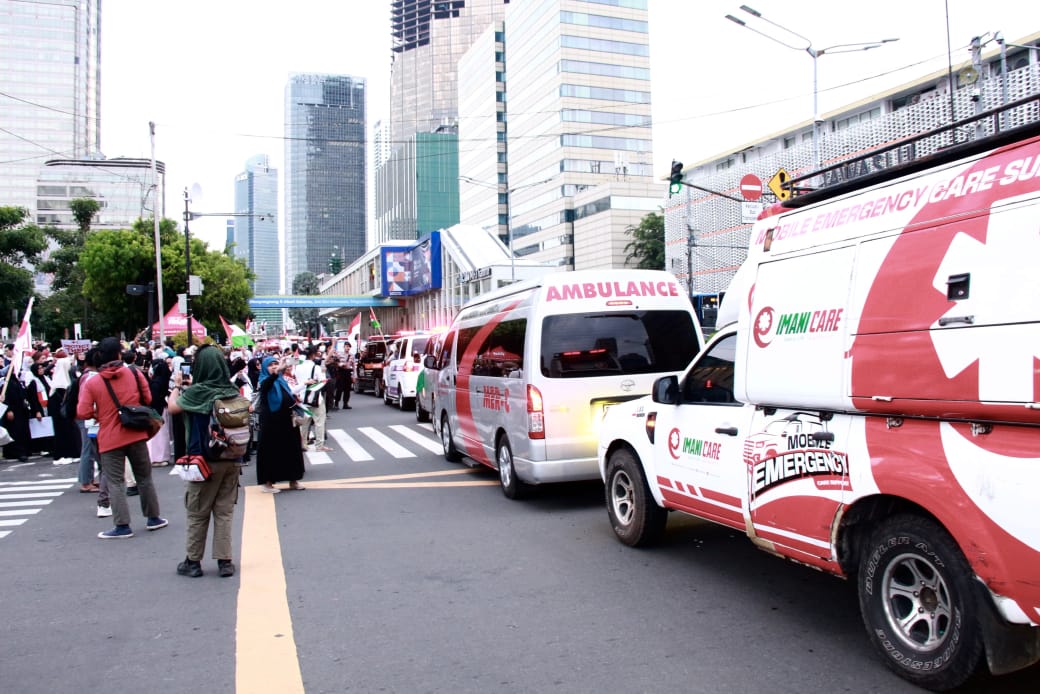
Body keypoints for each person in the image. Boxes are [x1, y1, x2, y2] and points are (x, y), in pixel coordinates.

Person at [76, 337, 166, 539]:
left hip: (109, 436)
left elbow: (82, 411)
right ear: (119, 354)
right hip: (135, 431)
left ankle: (122, 525)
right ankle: (153, 518)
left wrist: (100, 415)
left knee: (115, 481)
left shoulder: (93, 382)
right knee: (144, 477)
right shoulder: (133, 373)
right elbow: (148, 398)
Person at [167, 344, 241, 578]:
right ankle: (225, 561)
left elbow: (172, 408)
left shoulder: (196, 392)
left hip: (203, 460)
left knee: (198, 511)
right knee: (224, 511)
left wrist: (178, 385)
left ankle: (193, 561)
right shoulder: (231, 391)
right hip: (231, 457)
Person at [255, 355, 305, 493]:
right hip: (271, 422)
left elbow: (288, 393)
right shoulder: (264, 380)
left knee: (292, 449)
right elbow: (266, 386)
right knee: (270, 451)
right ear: (265, 368)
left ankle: (293, 480)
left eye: (276, 364)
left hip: (286, 420)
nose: (274, 367)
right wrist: (277, 372)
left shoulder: (281, 380)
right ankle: (267, 483)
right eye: (271, 365)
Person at [296, 345, 331, 452]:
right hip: (315, 398)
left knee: (304, 423)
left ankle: (303, 444)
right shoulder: (316, 367)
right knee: (319, 421)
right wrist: (323, 374)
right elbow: (322, 381)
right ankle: (319, 445)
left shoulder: (297, 366)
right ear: (313, 354)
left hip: (301, 397)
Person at [147, 353, 173, 467]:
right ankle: (162, 456)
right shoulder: (164, 380)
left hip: (155, 410)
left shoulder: (154, 382)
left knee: (156, 436)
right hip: (162, 408)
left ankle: (155, 457)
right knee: (162, 434)